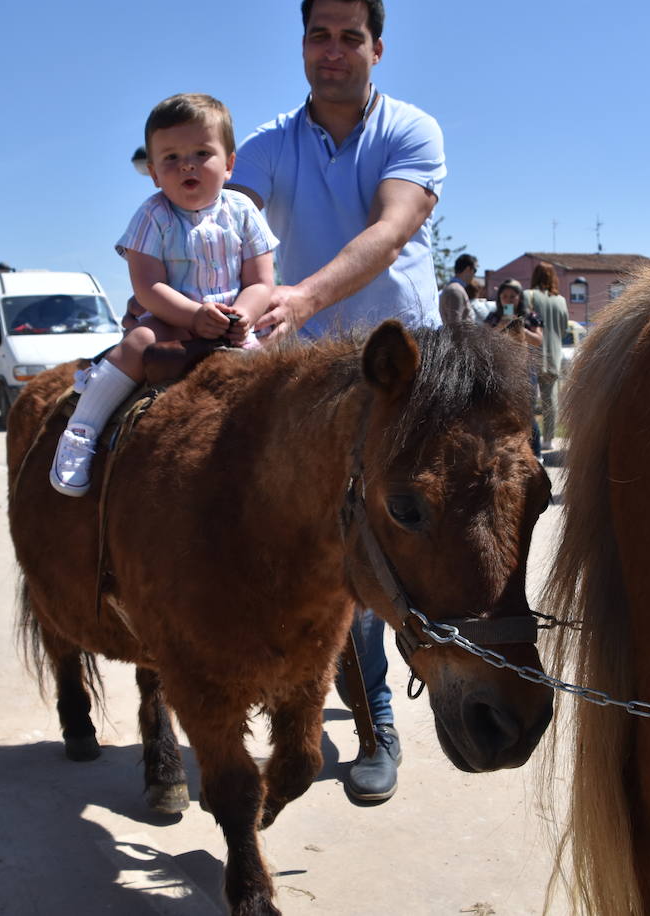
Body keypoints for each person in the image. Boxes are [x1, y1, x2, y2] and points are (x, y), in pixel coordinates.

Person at [228, 0, 445, 803]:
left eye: (349, 37)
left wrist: (299, 296)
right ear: (303, 44)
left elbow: (390, 231)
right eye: (318, 35)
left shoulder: (411, 132)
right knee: (322, 558)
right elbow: (219, 220)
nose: (332, 51)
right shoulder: (267, 144)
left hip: (404, 380)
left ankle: (411, 706)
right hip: (306, 384)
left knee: (421, 542)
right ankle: (346, 714)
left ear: (376, 49)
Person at [50, 92, 277, 497]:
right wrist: (193, 316)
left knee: (279, 379)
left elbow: (261, 282)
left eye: (201, 153)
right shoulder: (152, 215)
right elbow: (148, 285)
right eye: (171, 158)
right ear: (154, 172)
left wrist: (241, 316)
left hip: (234, 329)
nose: (186, 164)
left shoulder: (243, 211)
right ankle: (82, 430)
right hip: (171, 323)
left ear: (228, 164)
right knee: (137, 343)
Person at [492, 278, 544, 455]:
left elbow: (538, 340)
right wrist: (500, 326)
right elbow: (484, 338)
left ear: (519, 298)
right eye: (504, 296)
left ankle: (535, 452)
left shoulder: (531, 317)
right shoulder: (493, 317)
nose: (508, 299)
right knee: (503, 412)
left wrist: (520, 326)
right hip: (501, 369)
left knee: (527, 412)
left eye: (512, 296)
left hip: (524, 369)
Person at [526, 261, 568, 452]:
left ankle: (530, 438)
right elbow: (564, 327)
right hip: (554, 353)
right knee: (550, 399)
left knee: (528, 399)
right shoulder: (561, 301)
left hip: (532, 352)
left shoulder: (529, 296)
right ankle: (549, 439)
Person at [439, 254, 478, 326]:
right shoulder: (456, 290)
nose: (474, 275)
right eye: (475, 270)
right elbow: (455, 327)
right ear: (468, 269)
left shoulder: (453, 288)